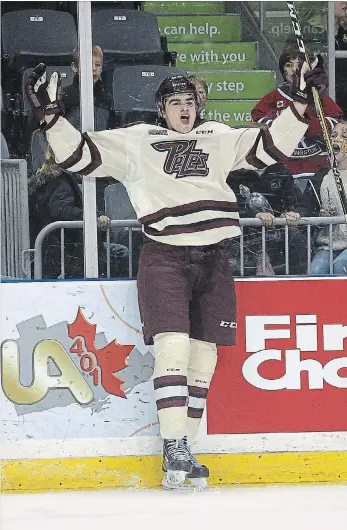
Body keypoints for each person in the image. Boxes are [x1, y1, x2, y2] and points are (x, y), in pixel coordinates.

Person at [25, 59, 325, 490]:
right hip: (164, 256)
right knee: (173, 348)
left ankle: (183, 449)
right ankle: (174, 446)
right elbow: (80, 155)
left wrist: (298, 106)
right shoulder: (139, 140)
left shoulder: (217, 136)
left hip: (214, 257)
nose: (184, 109)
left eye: (190, 101)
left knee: (205, 356)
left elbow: (269, 147)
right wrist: (53, 119)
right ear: (161, 108)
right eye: (175, 102)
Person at [28, 147, 129, 279]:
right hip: (69, 250)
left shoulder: (50, 178)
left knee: (118, 250)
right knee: (121, 252)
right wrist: (93, 217)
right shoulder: (60, 181)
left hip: (58, 250)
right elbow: (61, 210)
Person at [251, 45, 343, 182]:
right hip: (283, 176)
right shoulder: (271, 100)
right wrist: (295, 122)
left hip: (319, 173)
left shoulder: (321, 99)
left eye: (300, 65)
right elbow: (261, 130)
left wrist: (302, 123)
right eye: (289, 65)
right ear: (282, 70)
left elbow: (336, 129)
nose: (294, 70)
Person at [227, 165, 310, 276]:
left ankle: (298, 283)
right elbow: (228, 206)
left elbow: (299, 203)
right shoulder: (234, 174)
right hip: (243, 235)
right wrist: (255, 215)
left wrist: (295, 213)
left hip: (277, 234)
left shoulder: (280, 172)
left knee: (298, 240)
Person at [311, 121, 347, 274]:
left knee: (341, 266)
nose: (336, 139)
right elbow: (307, 209)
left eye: (344, 136)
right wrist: (318, 216)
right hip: (328, 244)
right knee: (316, 270)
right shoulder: (320, 177)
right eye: (333, 135)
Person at [62, 45, 114, 130]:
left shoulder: (106, 98)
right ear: (75, 67)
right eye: (87, 65)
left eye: (98, 65)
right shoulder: (66, 95)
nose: (93, 68)